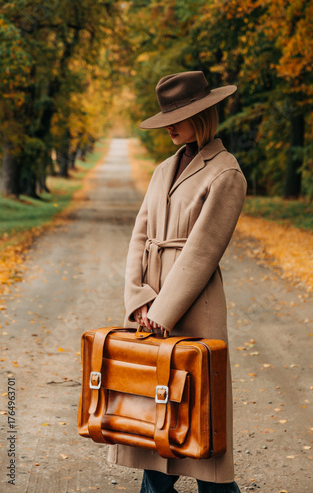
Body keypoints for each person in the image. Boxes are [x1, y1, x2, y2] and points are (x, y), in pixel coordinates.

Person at [108, 71, 247, 492]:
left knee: (202, 431)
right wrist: (140, 301)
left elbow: (203, 253)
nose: (170, 124)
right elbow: (139, 236)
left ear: (203, 114)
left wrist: (164, 312)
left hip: (194, 311)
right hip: (150, 311)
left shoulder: (226, 173)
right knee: (156, 423)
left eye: (180, 115)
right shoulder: (163, 169)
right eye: (166, 116)